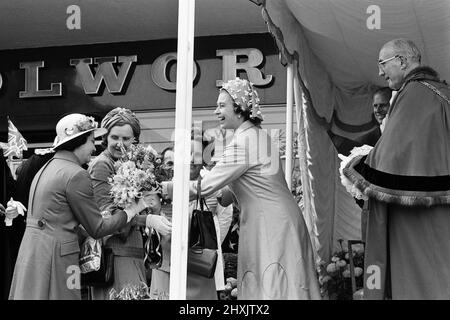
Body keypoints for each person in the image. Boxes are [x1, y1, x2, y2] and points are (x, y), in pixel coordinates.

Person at [163, 78, 321, 300]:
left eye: (221, 105)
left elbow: (206, 186)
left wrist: (165, 188)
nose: (216, 110)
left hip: (270, 224)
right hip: (275, 220)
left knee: (273, 291)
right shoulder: (257, 136)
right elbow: (232, 191)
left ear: (239, 109)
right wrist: (222, 193)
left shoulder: (243, 142)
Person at [342, 39, 450, 299]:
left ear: (402, 61)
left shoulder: (414, 93)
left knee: (423, 280)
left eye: (382, 63)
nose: (380, 72)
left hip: (419, 216)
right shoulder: (441, 91)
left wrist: (357, 166)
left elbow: (394, 153)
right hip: (441, 205)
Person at [8, 113, 149, 300]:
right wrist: (131, 211)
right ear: (78, 142)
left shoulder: (47, 167)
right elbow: (98, 228)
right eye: (91, 140)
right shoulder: (76, 174)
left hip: (33, 255)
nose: (94, 146)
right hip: (60, 258)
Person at [88, 107, 170, 299]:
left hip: (132, 249)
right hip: (114, 253)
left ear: (135, 140)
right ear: (105, 138)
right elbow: (106, 215)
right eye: (115, 138)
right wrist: (146, 219)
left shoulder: (133, 164)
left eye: (126, 139)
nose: (120, 144)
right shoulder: (102, 164)